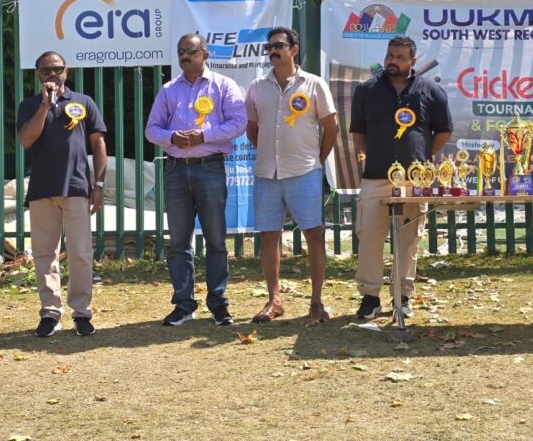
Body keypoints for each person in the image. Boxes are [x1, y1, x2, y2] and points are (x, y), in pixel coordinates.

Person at [145, 33, 246, 326]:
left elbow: (239, 123)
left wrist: (204, 136)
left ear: (205, 54)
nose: (184, 57)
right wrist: (171, 137)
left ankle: (218, 304)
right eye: (180, 52)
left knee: (216, 240)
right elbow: (151, 130)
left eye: (190, 51)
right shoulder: (168, 90)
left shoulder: (223, 85)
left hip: (209, 167)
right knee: (178, 242)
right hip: (176, 170)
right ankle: (184, 304)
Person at [350, 35, 453, 319]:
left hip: (413, 182)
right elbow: (358, 131)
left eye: (399, 57)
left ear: (412, 61)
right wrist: (375, 155)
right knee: (369, 237)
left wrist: (420, 159)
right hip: (376, 178)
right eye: (390, 55)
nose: (392, 61)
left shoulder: (431, 91)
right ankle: (370, 297)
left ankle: (402, 296)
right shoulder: (367, 90)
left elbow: (444, 130)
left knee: (408, 241)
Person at [244, 27, 339, 323]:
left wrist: (316, 159)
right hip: (267, 174)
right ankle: (274, 301)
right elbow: (252, 128)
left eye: (278, 46)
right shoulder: (257, 86)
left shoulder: (314, 84)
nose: (272, 51)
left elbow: (332, 127)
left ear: (293, 50)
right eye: (269, 47)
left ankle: (316, 302)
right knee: (269, 236)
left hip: (304, 171)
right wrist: (270, 154)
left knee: (314, 234)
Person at [17, 51, 107, 338]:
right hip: (42, 189)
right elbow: (26, 140)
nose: (52, 74)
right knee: (45, 254)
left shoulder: (84, 102)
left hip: (77, 188)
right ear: (37, 74)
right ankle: (50, 313)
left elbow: (98, 144)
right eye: (46, 70)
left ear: (66, 71)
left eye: (57, 69)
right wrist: (45, 105)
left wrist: (98, 184)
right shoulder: (29, 105)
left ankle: (82, 312)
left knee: (81, 253)